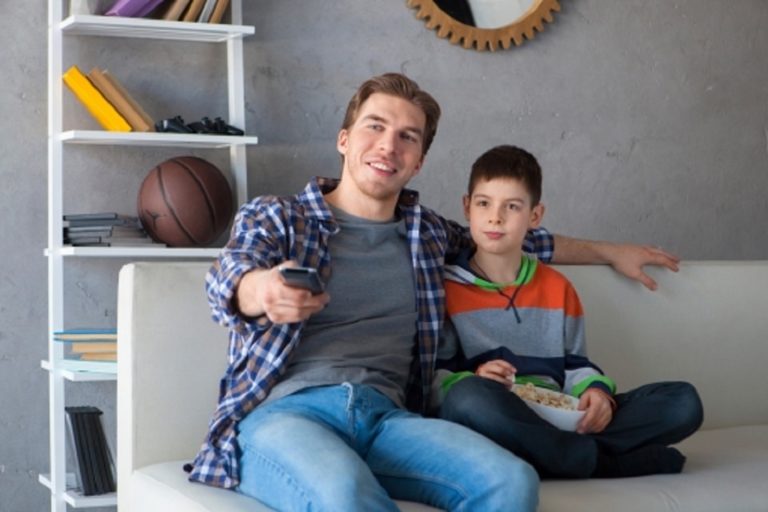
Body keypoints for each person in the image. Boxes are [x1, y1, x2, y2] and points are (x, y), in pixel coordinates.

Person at [187, 72, 681, 510]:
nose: (389, 146)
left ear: (419, 161)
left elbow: (515, 237)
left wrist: (610, 251)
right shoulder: (278, 216)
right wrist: (263, 290)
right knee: (344, 494)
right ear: (344, 139)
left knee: (511, 482)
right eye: (375, 126)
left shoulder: (426, 234)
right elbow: (229, 275)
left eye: (408, 137)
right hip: (288, 416)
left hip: (389, 419)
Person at [436, 144, 704, 479]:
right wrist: (476, 377)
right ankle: (601, 463)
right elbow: (438, 381)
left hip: (558, 413)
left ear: (535, 216)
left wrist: (595, 393)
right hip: (497, 413)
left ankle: (556, 455)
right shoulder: (446, 289)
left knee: (683, 402)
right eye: (484, 203)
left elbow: (576, 365)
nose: (495, 217)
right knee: (466, 399)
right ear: (467, 207)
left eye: (512, 206)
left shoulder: (557, 287)